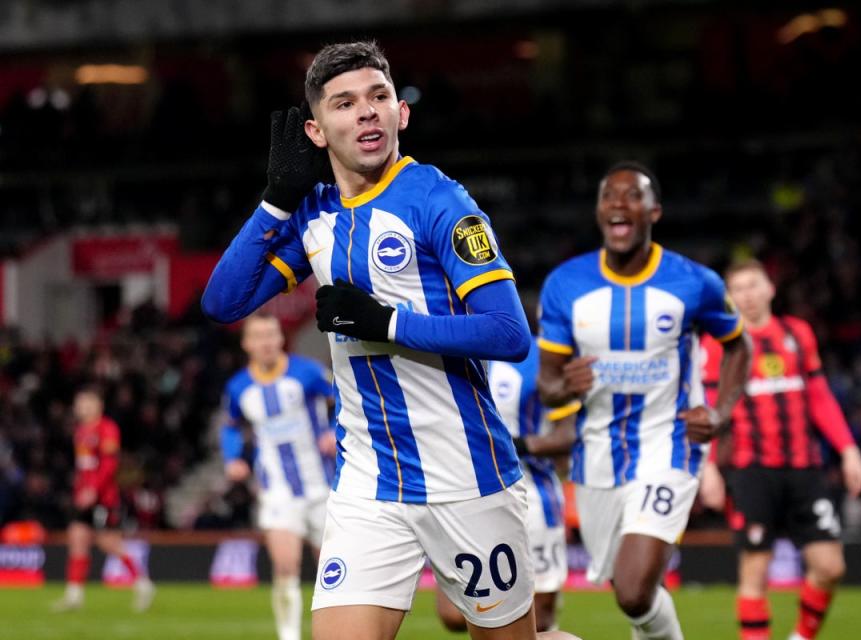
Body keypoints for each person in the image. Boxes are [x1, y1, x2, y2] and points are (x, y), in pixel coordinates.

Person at [202, 41, 579, 640]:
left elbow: (510, 334)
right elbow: (223, 303)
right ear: (316, 130)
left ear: (402, 114)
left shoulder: (439, 201)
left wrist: (387, 324)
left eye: (379, 97)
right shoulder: (314, 214)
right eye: (344, 103)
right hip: (369, 481)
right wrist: (276, 200)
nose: (367, 112)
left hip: (467, 477)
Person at [537, 162, 752, 640]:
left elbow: (739, 345)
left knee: (634, 589)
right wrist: (566, 386)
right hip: (595, 457)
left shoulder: (694, 283)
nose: (618, 203)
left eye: (631, 196)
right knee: (633, 593)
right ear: (598, 212)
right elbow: (547, 385)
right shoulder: (565, 286)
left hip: (669, 445)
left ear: (653, 210)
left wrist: (720, 412)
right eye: (608, 196)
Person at [698, 258, 861, 640]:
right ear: (730, 297)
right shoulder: (718, 345)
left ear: (770, 288)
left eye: (753, 285)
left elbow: (819, 395)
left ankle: (801, 637)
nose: (748, 295)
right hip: (751, 471)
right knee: (755, 571)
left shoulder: (797, 333)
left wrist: (849, 449)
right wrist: (708, 467)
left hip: (804, 469)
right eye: (738, 289)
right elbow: (710, 409)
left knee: (830, 566)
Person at [436, 340, 578, 633]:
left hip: (534, 495)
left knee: (536, 620)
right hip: (463, 493)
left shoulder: (540, 357)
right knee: (453, 615)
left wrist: (512, 445)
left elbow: (569, 433)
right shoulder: (449, 347)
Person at [220, 312, 336, 640]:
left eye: (271, 335)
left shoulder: (308, 373)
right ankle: (289, 636)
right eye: (258, 337)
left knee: (333, 569)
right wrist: (232, 459)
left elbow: (344, 398)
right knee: (285, 567)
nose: (266, 342)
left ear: (281, 338)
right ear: (247, 344)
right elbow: (230, 427)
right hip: (277, 490)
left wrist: (333, 431)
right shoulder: (239, 387)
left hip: (322, 486)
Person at [52, 385, 156, 612]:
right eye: (78, 404)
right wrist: (80, 489)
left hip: (103, 497)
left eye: (86, 403)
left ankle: (143, 583)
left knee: (108, 542)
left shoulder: (107, 428)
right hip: (85, 496)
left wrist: (94, 490)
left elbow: (110, 463)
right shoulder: (81, 431)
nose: (81, 408)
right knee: (77, 538)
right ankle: (74, 595)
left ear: (98, 405)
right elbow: (85, 467)